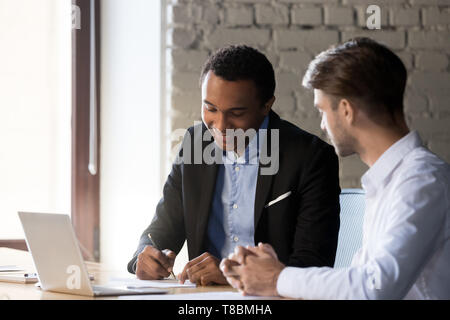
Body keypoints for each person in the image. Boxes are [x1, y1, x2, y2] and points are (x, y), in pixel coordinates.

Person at [221, 38, 450, 299]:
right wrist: (276, 273)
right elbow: (357, 282)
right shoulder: (392, 180)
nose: (322, 126)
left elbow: (374, 287)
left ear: (345, 111)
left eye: (321, 111)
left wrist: (277, 278)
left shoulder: (422, 180)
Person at [127, 45, 340, 286]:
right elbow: (161, 229)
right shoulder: (195, 146)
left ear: (266, 105)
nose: (221, 125)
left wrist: (235, 275)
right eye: (210, 109)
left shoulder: (311, 158)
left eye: (236, 113)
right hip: (205, 298)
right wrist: (145, 256)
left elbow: (313, 264)